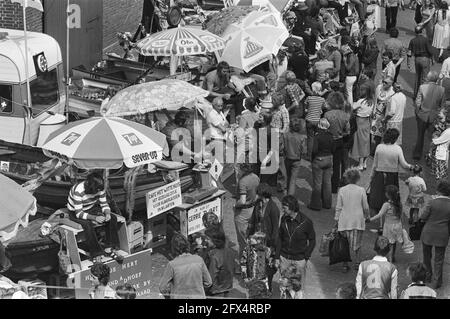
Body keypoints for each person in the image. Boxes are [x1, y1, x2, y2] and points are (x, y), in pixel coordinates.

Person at [67, 172, 121, 262]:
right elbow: (79, 214)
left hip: (90, 208)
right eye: (96, 190)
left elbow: (104, 204)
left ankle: (110, 248)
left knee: (112, 218)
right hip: (75, 212)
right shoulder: (78, 191)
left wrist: (107, 213)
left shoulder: (100, 188)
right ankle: (96, 254)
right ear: (91, 187)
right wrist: (95, 218)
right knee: (88, 225)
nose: (99, 192)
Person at [275, 195, 316, 295]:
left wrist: (306, 257)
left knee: (298, 288)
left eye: (284, 208)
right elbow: (280, 238)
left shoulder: (306, 222)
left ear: (292, 207)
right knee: (284, 287)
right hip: (285, 258)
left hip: (299, 260)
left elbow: (312, 240)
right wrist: (277, 257)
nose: (282, 210)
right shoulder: (284, 219)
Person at [369, 129, 412, 218]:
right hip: (392, 176)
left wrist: (371, 176)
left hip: (379, 174)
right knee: (392, 196)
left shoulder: (379, 147)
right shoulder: (397, 149)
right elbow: (404, 164)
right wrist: (411, 167)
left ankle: (379, 216)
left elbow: (374, 164)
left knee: (379, 196)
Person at [334, 168, 370, 272]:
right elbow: (365, 207)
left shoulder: (342, 190)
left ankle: (345, 264)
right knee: (357, 243)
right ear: (358, 178)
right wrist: (367, 217)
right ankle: (358, 262)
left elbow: (339, 207)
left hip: (344, 221)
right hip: (358, 221)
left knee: (344, 243)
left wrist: (336, 220)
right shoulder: (361, 190)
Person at [159, 233, 212, 299]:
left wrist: (171, 295)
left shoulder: (172, 265)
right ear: (187, 245)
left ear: (173, 248)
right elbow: (208, 282)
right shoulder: (199, 260)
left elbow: (162, 287)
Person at [420, 180, 450, 289]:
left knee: (426, 256)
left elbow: (423, 216)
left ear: (439, 190)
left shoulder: (432, 202)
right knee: (439, 259)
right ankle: (437, 281)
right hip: (442, 234)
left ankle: (428, 276)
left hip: (428, 233)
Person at [413, 71, 446, 160]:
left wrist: (417, 112)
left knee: (420, 135)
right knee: (432, 137)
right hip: (434, 117)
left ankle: (417, 154)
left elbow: (417, 102)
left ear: (429, 78)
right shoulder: (441, 89)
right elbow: (442, 105)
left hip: (422, 115)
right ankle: (430, 154)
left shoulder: (422, 87)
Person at [369, 185, 404, 263]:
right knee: (393, 242)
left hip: (389, 226)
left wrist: (369, 220)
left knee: (389, 243)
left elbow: (379, 215)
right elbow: (401, 216)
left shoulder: (387, 205)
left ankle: (390, 261)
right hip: (398, 225)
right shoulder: (399, 203)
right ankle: (393, 256)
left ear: (388, 194)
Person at [324, 92, 350, 193]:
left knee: (328, 165)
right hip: (339, 141)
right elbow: (347, 131)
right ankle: (335, 186)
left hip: (329, 140)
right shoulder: (345, 115)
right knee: (337, 164)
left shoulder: (327, 114)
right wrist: (341, 134)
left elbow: (324, 129)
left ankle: (327, 185)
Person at [234, 163, 260, 260]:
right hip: (252, 209)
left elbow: (242, 201)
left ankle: (243, 262)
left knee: (242, 241)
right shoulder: (255, 177)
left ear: (242, 169)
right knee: (250, 235)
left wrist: (235, 205)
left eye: (238, 168)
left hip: (242, 212)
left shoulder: (243, 181)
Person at [308, 118, 335, 211]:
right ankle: (327, 203)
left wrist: (312, 159)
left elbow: (314, 150)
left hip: (319, 159)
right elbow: (333, 148)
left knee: (317, 183)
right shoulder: (331, 136)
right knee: (327, 182)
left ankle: (315, 204)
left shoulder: (317, 136)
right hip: (329, 158)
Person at [352, 82, 375, 170]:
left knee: (360, 143)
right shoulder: (371, 101)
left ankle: (360, 164)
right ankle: (364, 162)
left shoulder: (360, 101)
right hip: (367, 122)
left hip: (360, 122)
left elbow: (352, 107)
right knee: (366, 142)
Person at [282, 118, 307, 196]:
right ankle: (290, 196)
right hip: (296, 159)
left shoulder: (285, 135)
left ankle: (285, 191)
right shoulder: (302, 137)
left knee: (287, 177)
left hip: (287, 158)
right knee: (293, 179)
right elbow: (304, 151)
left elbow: (282, 147)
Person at [407, 26, 433, 99]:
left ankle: (415, 95)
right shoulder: (425, 40)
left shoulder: (412, 40)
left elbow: (409, 53)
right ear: (422, 31)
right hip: (425, 59)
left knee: (417, 77)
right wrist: (432, 58)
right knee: (425, 78)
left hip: (417, 59)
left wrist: (408, 62)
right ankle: (422, 96)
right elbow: (430, 51)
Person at [206, 229, 234, 298]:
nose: (206, 241)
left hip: (216, 290)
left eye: (208, 239)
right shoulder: (229, 251)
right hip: (227, 286)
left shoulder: (214, 256)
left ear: (215, 241)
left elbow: (211, 276)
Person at [371, 76, 395, 156]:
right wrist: (373, 110)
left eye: (386, 83)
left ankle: (376, 150)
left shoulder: (392, 92)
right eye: (383, 81)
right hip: (376, 114)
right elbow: (375, 99)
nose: (383, 84)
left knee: (379, 135)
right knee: (372, 132)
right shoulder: (379, 87)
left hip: (383, 117)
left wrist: (385, 118)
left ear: (391, 84)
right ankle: (371, 148)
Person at [305, 82, 326, 159]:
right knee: (317, 138)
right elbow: (324, 107)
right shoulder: (322, 99)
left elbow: (306, 108)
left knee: (310, 138)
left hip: (309, 120)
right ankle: (317, 154)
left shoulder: (309, 98)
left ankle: (309, 155)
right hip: (317, 120)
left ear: (313, 89)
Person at [430, 113, 450, 180]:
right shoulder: (446, 130)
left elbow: (435, 141)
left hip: (441, 155)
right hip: (441, 154)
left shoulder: (448, 132)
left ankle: (440, 188)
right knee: (440, 175)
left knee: (441, 176)